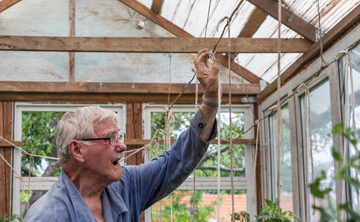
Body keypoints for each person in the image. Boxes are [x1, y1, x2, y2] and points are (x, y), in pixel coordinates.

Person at [24, 49, 222, 222]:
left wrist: (211, 100)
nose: (122, 146)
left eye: (120, 137)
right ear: (78, 150)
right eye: (110, 138)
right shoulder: (45, 216)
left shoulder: (126, 185)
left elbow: (176, 162)